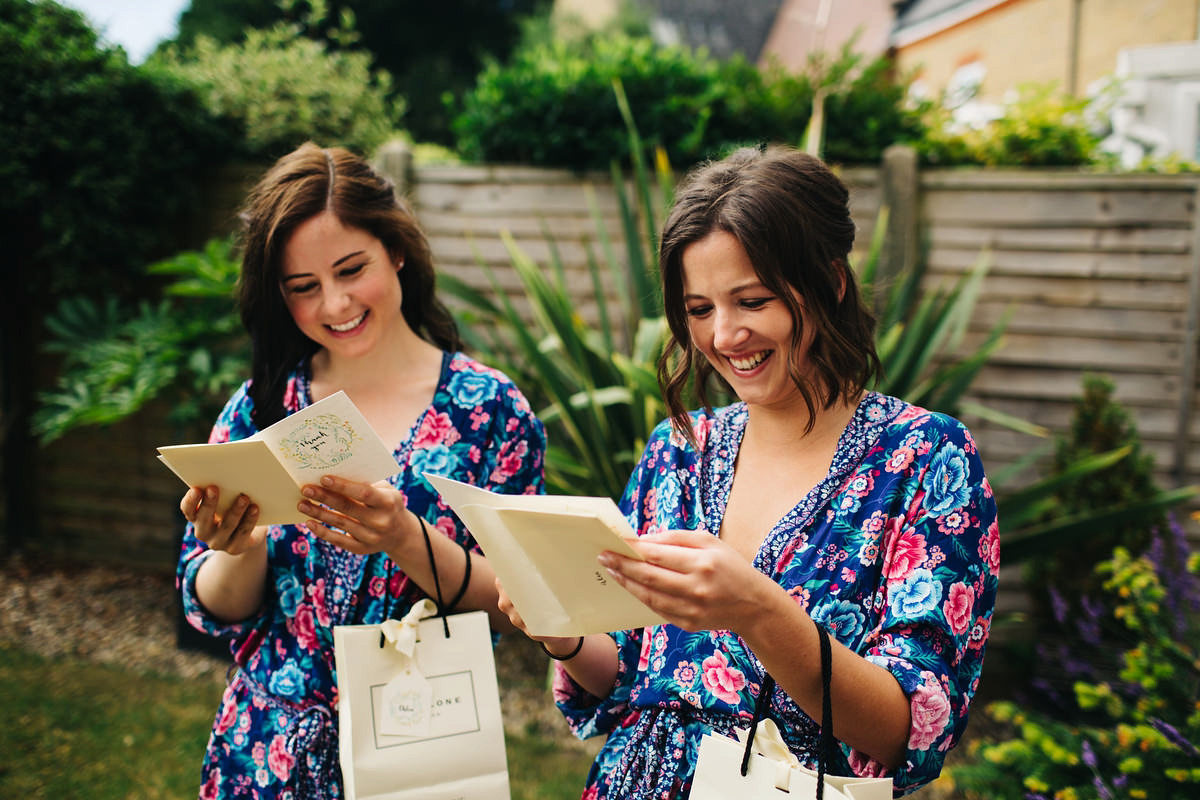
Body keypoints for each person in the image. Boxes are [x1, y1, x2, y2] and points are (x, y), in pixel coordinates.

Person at [497, 145, 1000, 798]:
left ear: (831, 282)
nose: (725, 335)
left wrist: (760, 610)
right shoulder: (676, 451)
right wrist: (560, 634)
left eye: (752, 300)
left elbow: (906, 729)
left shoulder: (927, 461)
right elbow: (627, 672)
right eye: (700, 309)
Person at [176, 142, 546, 799]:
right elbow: (215, 606)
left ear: (396, 249)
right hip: (267, 753)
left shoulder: (491, 412)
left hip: (422, 742)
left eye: (352, 269)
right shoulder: (261, 407)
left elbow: (521, 598)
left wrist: (404, 540)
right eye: (303, 288)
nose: (335, 303)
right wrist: (238, 545)